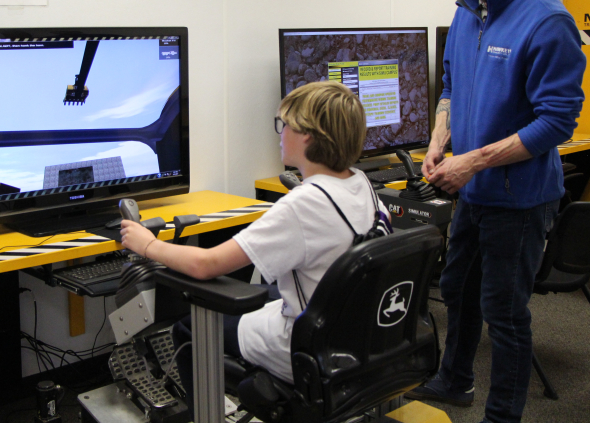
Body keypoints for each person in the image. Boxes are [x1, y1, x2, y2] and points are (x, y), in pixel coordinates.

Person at [404, 0, 586, 423]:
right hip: (473, 193)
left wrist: (472, 162)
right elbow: (453, 88)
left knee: (506, 314)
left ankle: (503, 414)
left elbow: (556, 124)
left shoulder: (547, 21)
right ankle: (455, 380)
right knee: (458, 291)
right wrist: (440, 139)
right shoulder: (467, 11)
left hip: (520, 199)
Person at [120, 81, 389, 416]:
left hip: (311, 348)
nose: (280, 133)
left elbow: (206, 264)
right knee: (266, 291)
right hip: (362, 334)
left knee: (189, 328)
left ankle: (208, 413)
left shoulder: (304, 203)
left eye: (284, 125)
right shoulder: (362, 185)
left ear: (308, 135)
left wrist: (148, 245)